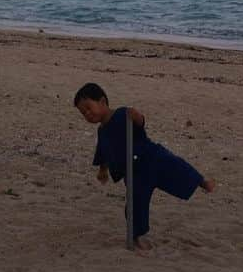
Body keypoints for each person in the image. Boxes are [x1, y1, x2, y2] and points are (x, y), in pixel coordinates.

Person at [73, 82, 215, 251]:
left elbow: (140, 123)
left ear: (102, 101)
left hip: (151, 157)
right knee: (134, 205)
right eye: (83, 113)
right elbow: (102, 152)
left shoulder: (122, 114)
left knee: (177, 167)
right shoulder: (102, 131)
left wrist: (136, 115)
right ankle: (136, 237)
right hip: (134, 173)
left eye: (89, 108)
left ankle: (202, 182)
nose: (87, 114)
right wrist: (103, 170)